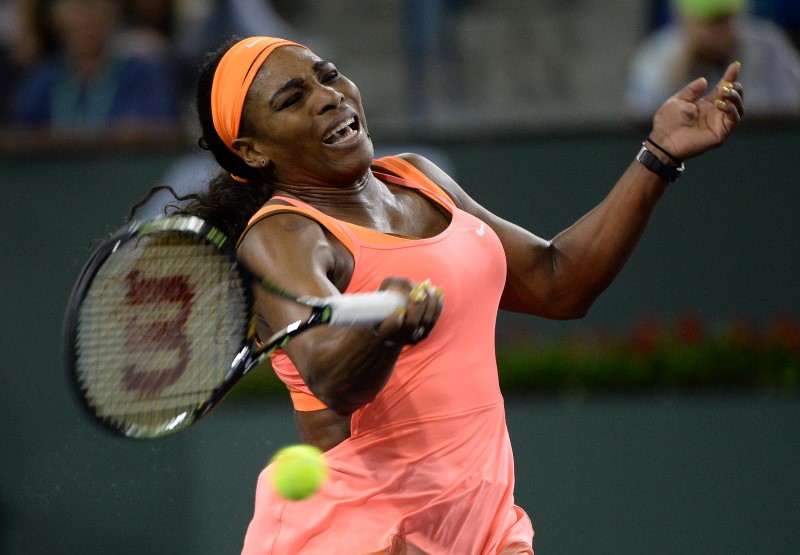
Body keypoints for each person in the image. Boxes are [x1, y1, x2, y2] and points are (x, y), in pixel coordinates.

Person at [142, 35, 743, 554]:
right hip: (365, 530)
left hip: (480, 518)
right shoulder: (281, 234)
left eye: (326, 75)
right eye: (291, 100)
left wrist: (657, 157)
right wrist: (385, 334)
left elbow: (560, 282)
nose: (328, 96)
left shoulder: (418, 178)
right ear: (252, 151)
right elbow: (332, 377)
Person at [9, 0, 181, 137]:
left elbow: (153, 133)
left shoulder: (141, 72)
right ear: (53, 16)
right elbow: (20, 138)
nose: (87, 18)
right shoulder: (40, 81)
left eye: (96, 5)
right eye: (77, 7)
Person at [626, 0, 799, 119]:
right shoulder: (655, 59)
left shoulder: (769, 48)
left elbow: (790, 117)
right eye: (710, 21)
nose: (720, 31)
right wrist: (678, 74)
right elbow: (645, 130)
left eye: (726, 19)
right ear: (684, 19)